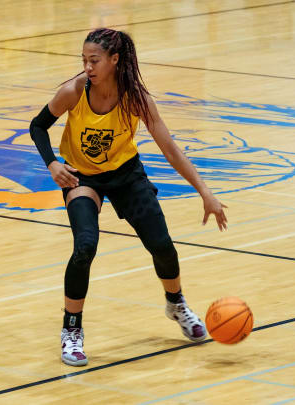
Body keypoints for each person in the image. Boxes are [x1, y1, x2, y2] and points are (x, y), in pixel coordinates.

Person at [29, 28, 228, 367]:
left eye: (94, 60)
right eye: (84, 60)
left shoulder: (135, 98)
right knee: (85, 247)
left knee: (161, 244)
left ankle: (175, 303)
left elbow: (170, 149)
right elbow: (37, 126)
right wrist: (51, 163)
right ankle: (71, 330)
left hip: (125, 175)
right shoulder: (75, 91)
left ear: (114, 60)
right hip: (82, 176)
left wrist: (205, 191)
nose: (88, 67)